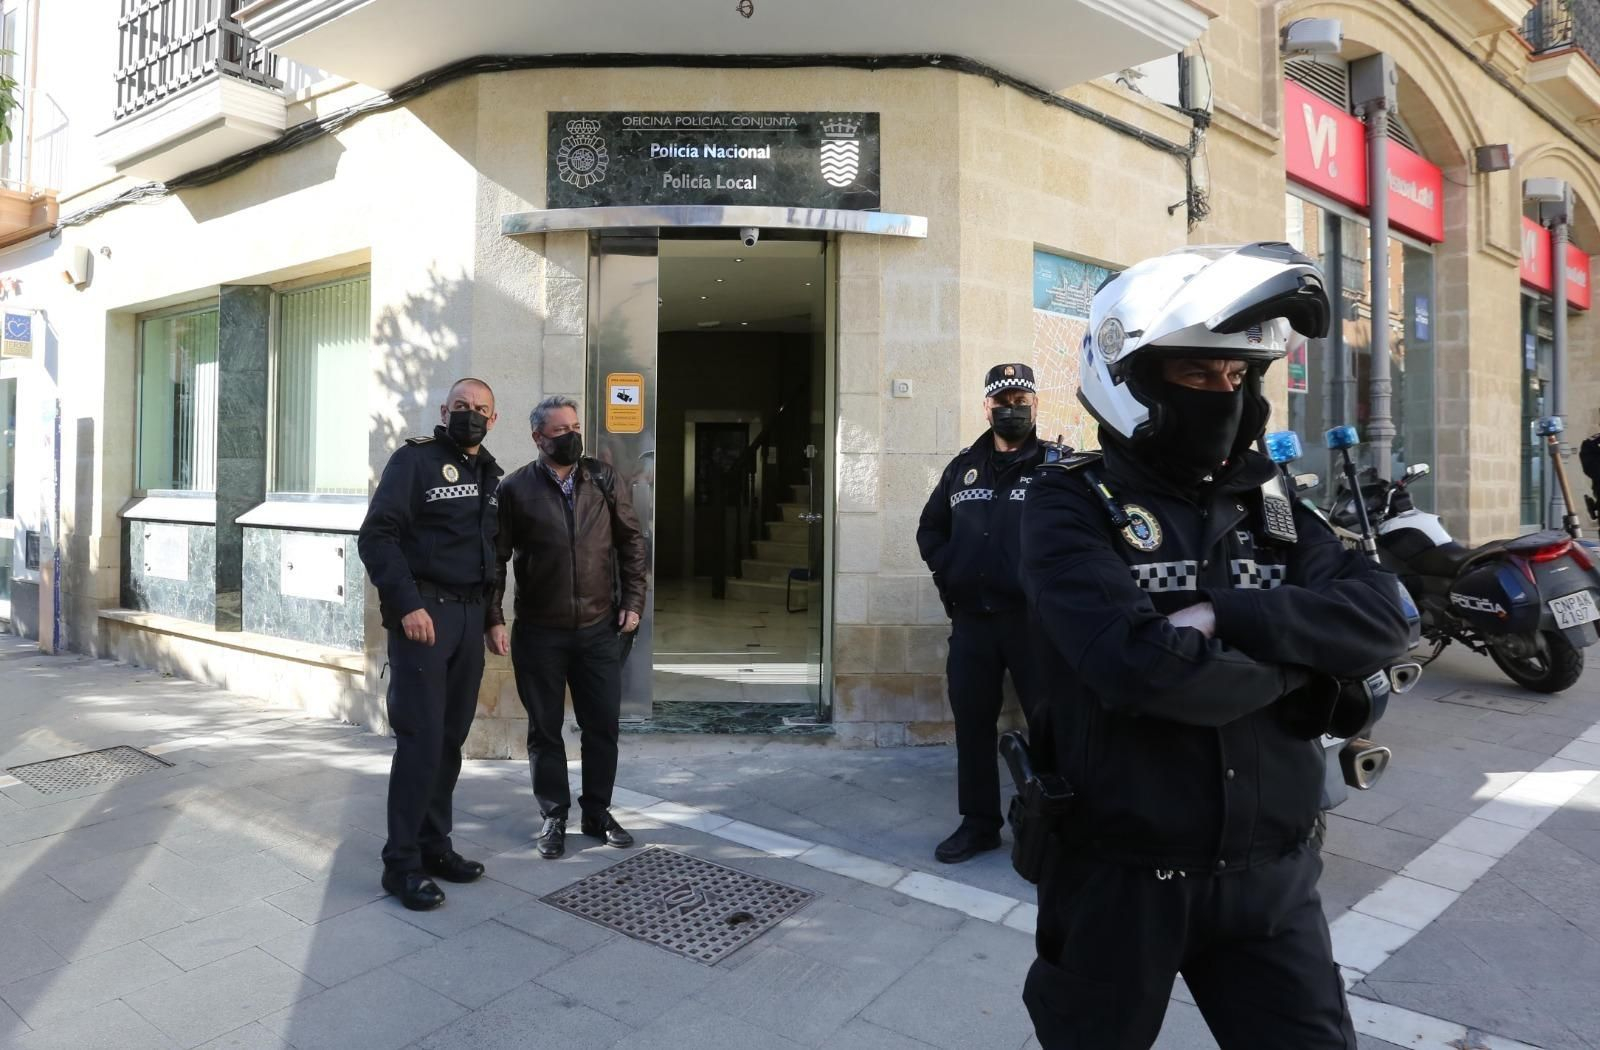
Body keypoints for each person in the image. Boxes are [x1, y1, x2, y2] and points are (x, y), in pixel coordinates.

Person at [1018, 242, 1412, 1049]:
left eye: (1239, 378)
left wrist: (1223, 615)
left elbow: (1385, 615)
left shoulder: (1273, 508)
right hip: (1120, 881)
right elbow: (1144, 671)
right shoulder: (1068, 507)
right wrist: (1307, 660)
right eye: (1201, 375)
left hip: (1273, 879)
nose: (1225, 396)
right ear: (1131, 379)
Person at [357, 377, 503, 911]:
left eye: (480, 409)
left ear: (495, 418)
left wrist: (493, 617)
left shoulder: (490, 472)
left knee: (450, 740)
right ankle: (401, 866)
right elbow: (376, 536)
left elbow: (492, 553)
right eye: (461, 406)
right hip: (425, 617)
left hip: (468, 619)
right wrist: (408, 604)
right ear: (444, 411)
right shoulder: (413, 462)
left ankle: (435, 847)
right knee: (420, 741)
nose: (470, 415)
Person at [487, 396, 648, 859]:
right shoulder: (515, 488)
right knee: (545, 729)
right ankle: (554, 814)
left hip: (599, 629)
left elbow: (631, 543)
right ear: (538, 437)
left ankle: (597, 811)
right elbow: (494, 560)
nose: (571, 436)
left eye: (574, 426)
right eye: (560, 431)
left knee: (602, 726)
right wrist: (494, 618)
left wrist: (633, 603)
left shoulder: (603, 478)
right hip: (540, 633)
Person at [915, 362, 1048, 864]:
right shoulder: (961, 468)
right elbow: (930, 530)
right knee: (972, 726)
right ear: (986, 407)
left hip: (1034, 625)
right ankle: (979, 824)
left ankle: (1049, 821)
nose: (1012, 410)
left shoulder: (1055, 467)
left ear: (1035, 404)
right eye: (1002, 402)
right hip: (972, 623)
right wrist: (951, 571)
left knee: (1049, 723)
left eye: (1021, 401)